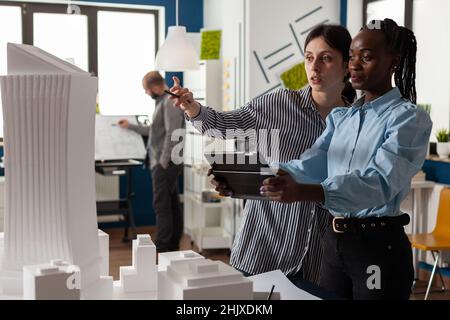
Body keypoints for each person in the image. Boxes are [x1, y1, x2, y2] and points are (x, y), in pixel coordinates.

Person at [167, 25, 355, 288]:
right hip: (264, 247)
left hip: (319, 260)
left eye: (326, 58)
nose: (315, 67)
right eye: (309, 57)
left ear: (347, 64)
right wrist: (192, 106)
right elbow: (222, 124)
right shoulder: (277, 105)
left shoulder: (356, 122)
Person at [261, 19, 432, 300]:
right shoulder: (343, 117)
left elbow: (379, 183)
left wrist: (307, 192)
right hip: (334, 242)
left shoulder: (408, 119)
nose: (354, 64)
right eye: (352, 56)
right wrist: (263, 175)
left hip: (377, 247)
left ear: (393, 61)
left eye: (366, 57)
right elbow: (313, 162)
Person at [118, 71, 185, 252]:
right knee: (170, 203)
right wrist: (130, 126)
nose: (146, 93)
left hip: (166, 162)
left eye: (146, 90)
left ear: (155, 87)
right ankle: (171, 245)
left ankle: (164, 247)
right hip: (165, 161)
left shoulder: (169, 102)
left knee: (162, 205)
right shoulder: (162, 102)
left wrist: (162, 162)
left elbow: (173, 133)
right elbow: (154, 131)